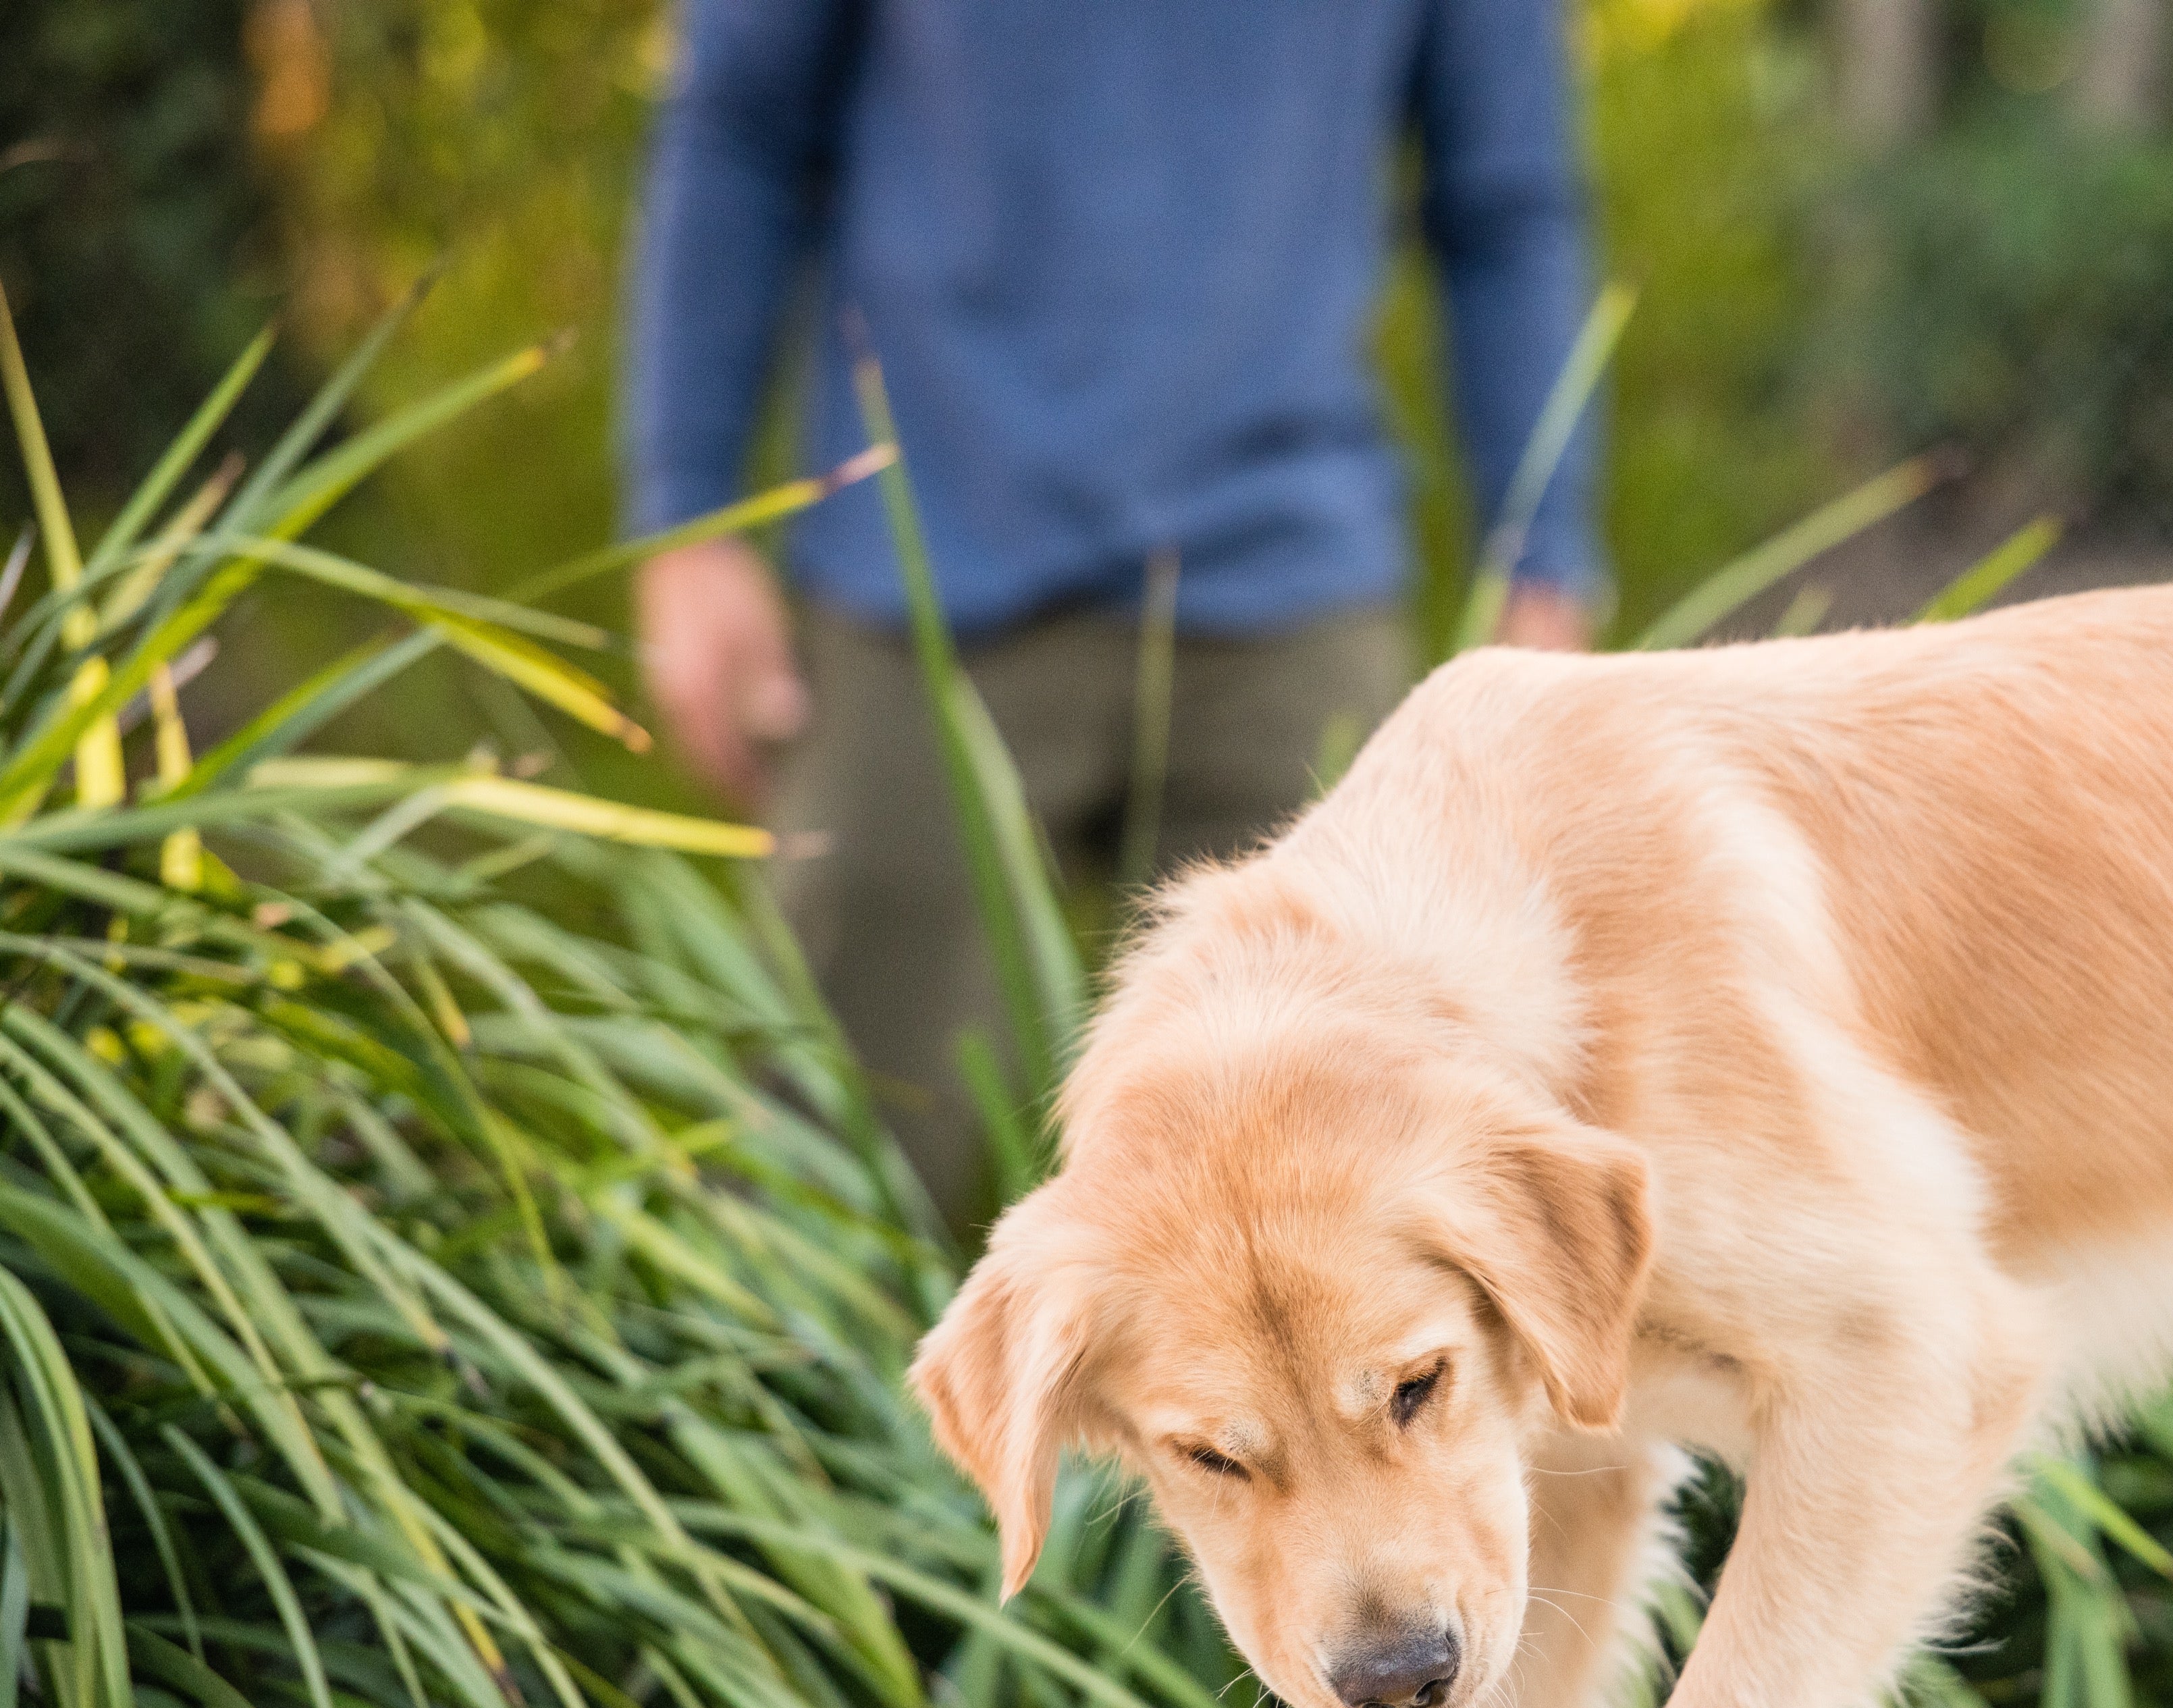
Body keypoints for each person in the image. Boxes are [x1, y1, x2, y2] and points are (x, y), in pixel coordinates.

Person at [622, 2, 1606, 1212]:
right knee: (816, 1214)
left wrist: (1545, 553)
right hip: (922, 572)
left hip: (1290, 591)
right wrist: (689, 516)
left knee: (1343, 1222)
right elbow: (740, 119)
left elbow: (1504, 195)